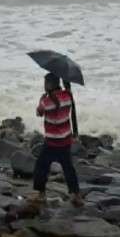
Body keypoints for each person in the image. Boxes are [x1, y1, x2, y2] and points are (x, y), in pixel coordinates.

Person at [33, 73, 83, 207]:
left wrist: (41, 100)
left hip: (51, 142)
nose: (44, 85)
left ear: (50, 84)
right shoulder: (67, 95)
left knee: (41, 167)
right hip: (65, 141)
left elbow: (39, 113)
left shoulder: (47, 101)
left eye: (45, 83)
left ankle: (41, 194)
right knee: (68, 168)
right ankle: (76, 195)